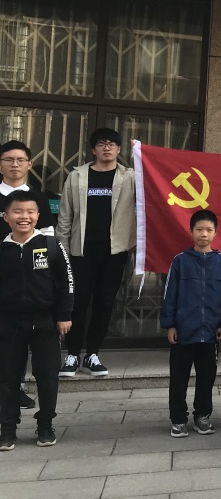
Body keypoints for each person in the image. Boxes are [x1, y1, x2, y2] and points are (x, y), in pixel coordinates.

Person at [57, 128, 136, 380]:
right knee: (77, 304)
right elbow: (65, 215)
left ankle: (92, 354)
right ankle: (72, 354)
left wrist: (141, 153)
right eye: (101, 144)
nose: (107, 147)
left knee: (104, 303)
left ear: (119, 149)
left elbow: (155, 182)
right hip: (81, 251)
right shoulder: (77, 176)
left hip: (114, 252)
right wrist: (62, 250)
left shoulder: (129, 177)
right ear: (93, 149)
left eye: (112, 144)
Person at [0, 191, 73, 450]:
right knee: (7, 378)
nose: (24, 217)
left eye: (30, 212)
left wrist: (64, 315)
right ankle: (7, 429)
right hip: (9, 323)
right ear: (6, 216)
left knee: (47, 377)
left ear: (38, 216)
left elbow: (66, 283)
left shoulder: (51, 245)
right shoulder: (3, 249)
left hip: (45, 322)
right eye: (17, 211)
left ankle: (45, 426)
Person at [160, 210, 221, 438]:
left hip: (210, 333)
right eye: (199, 229)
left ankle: (202, 416)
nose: (204, 234)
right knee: (178, 378)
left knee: (206, 378)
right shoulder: (180, 261)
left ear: (215, 233)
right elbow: (169, 295)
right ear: (191, 231)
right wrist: (171, 325)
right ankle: (178, 419)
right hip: (183, 332)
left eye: (209, 230)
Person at [0, 140, 57, 411]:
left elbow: (47, 237)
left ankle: (17, 389)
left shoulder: (38, 198)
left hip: (27, 280)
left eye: (20, 160)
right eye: (8, 159)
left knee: (17, 336)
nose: (15, 165)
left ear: (29, 164)